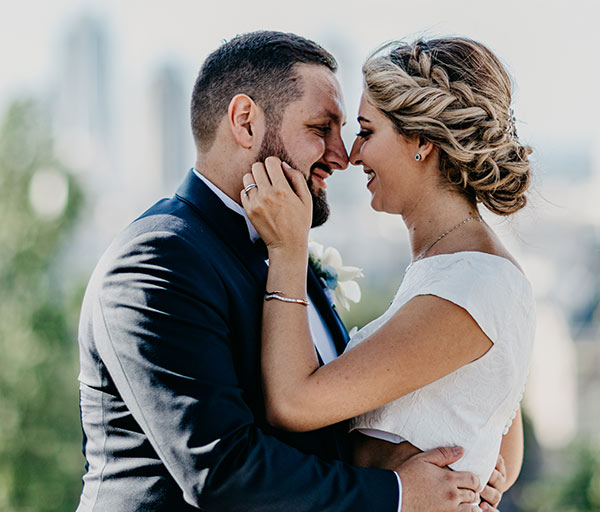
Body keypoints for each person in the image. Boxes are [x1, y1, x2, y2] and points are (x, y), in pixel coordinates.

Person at [76, 30, 496, 511]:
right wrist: (398, 495)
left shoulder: (286, 249)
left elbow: (328, 431)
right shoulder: (157, 262)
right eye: (322, 129)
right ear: (246, 123)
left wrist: (453, 457)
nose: (342, 157)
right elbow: (224, 471)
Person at [241, 37, 535, 511]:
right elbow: (504, 445)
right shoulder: (459, 272)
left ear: (422, 142)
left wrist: (287, 249)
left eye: (366, 131)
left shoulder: (471, 286)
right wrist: (482, 469)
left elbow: (293, 402)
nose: (352, 155)